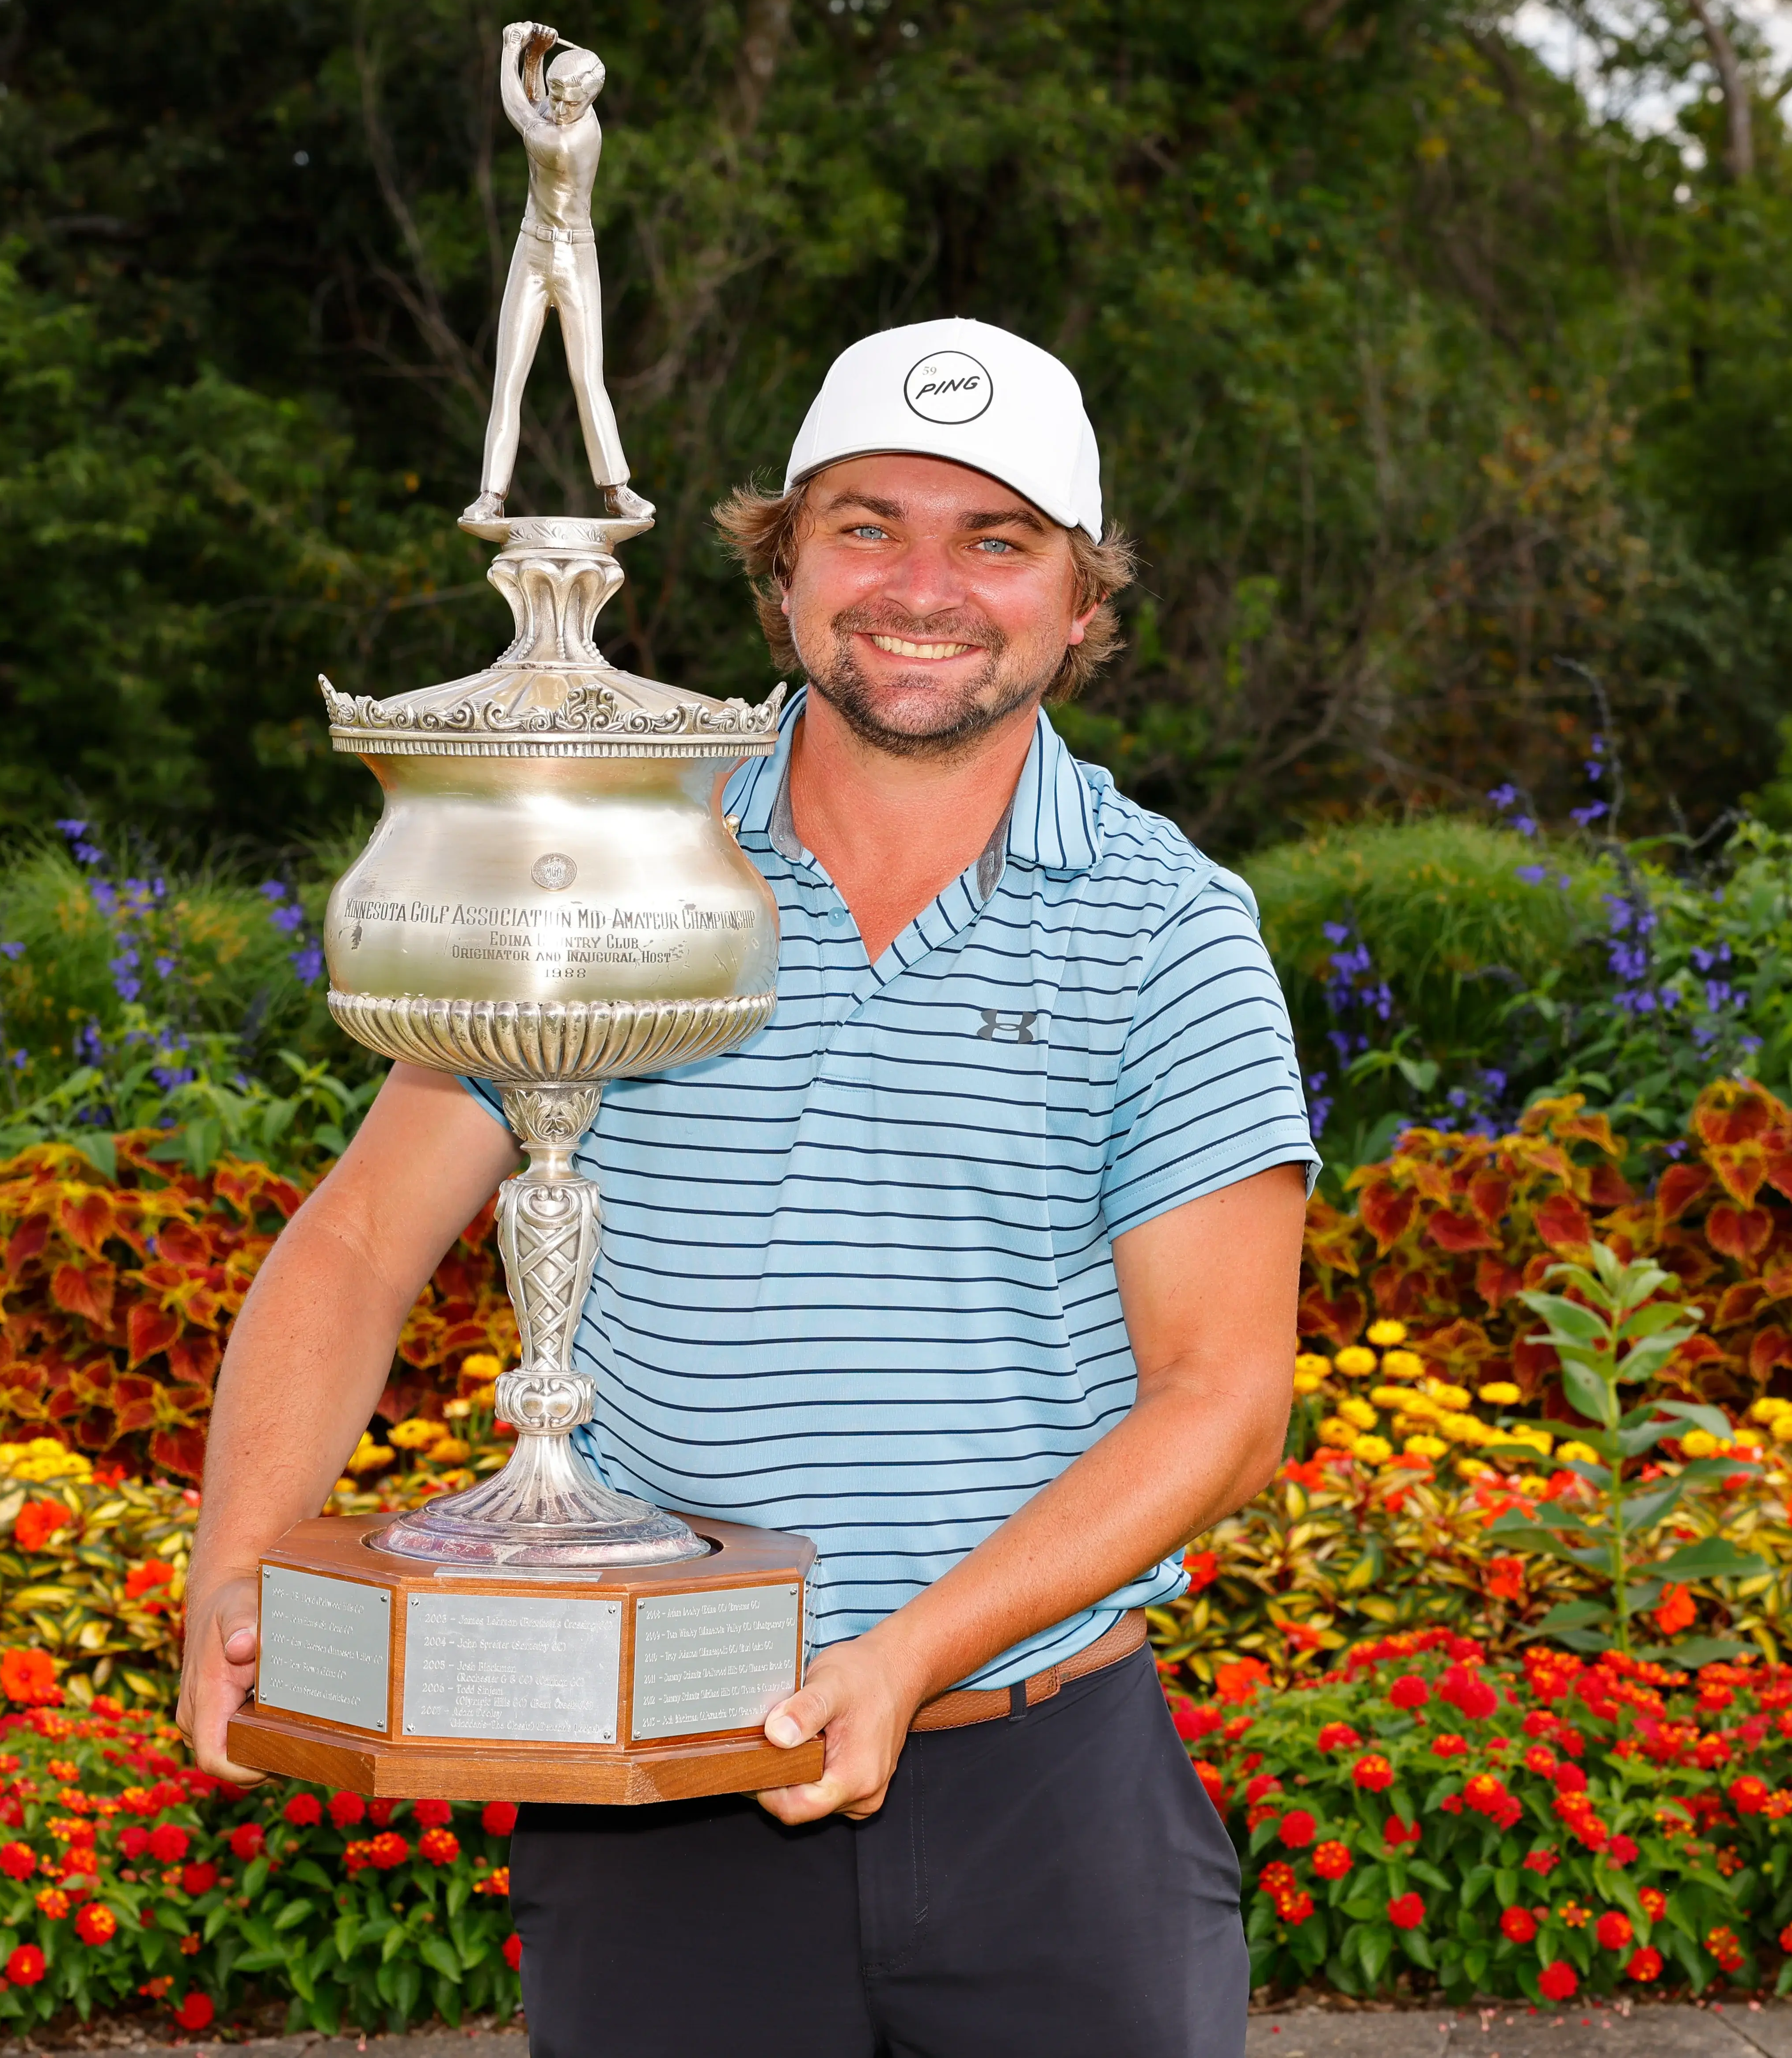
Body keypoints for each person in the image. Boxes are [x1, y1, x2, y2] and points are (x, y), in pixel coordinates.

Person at [181, 316, 1316, 2058]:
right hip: (657, 1786)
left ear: (1081, 604)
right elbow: (354, 1239)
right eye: (863, 524)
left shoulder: (1165, 931)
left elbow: (1222, 1400)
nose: (920, 583)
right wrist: (242, 1564)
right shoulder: (602, 857)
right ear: (777, 572)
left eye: (994, 540)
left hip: (1045, 1801)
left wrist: (906, 1653)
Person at [461, 20, 653, 529]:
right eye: (556, 96)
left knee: (587, 378)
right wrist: (534, 62)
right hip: (531, 251)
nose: (560, 106)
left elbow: (520, 111)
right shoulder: (559, 110)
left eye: (569, 100)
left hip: (573, 259)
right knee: (509, 380)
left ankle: (616, 488)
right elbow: (537, 102)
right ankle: (490, 495)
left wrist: (511, 50)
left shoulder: (571, 141)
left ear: (589, 99)